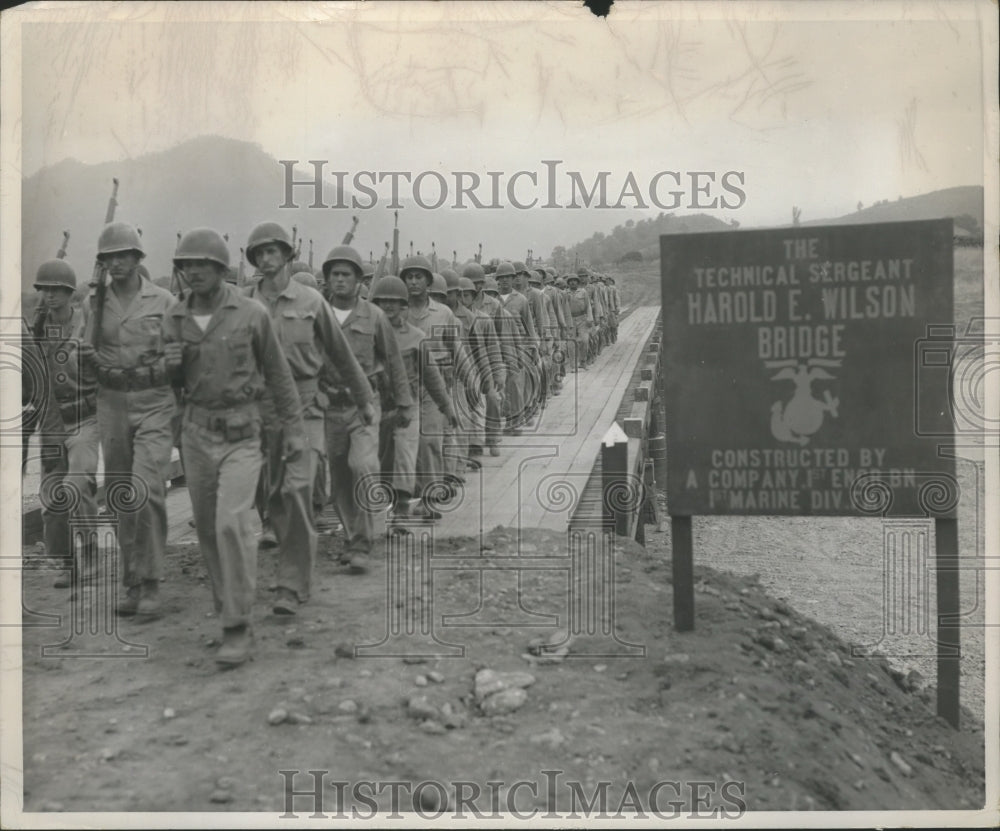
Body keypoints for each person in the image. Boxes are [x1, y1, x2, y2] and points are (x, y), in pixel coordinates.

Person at [165, 228, 304, 666]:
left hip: (244, 436)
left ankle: (237, 625)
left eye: (202, 265)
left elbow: (279, 376)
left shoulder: (251, 313)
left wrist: (295, 431)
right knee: (207, 529)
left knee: (231, 523)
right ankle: (227, 608)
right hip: (196, 435)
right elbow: (171, 385)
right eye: (186, 266)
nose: (193, 273)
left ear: (222, 269)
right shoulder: (174, 319)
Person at [244, 224, 374, 604]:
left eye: (273, 251)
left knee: (298, 490)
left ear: (288, 254)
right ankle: (288, 562)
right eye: (260, 253)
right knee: (274, 497)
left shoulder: (311, 302)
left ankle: (290, 582)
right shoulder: (242, 303)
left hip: (305, 406)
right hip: (260, 408)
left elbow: (341, 355)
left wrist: (363, 398)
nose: (267, 259)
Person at [83, 221, 177, 620]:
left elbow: (180, 353)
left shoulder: (164, 301)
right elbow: (85, 355)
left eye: (123, 255)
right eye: (109, 257)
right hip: (113, 403)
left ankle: (152, 583)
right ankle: (133, 582)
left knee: (148, 488)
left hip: (155, 401)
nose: (116, 263)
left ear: (138, 258)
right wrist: (84, 355)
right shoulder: (94, 304)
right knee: (122, 494)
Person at [320, 245, 410, 570]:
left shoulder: (374, 317)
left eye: (347, 274)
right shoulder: (318, 314)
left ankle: (363, 541)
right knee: (340, 478)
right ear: (327, 280)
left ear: (359, 280)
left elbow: (394, 361)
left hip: (364, 405)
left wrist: (403, 403)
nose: (340, 280)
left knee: (364, 466)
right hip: (328, 405)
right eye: (335, 275)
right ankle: (351, 535)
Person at [32, 259, 100, 589]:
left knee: (78, 483)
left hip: (84, 418)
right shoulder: (38, 331)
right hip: (51, 423)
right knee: (52, 499)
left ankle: (89, 554)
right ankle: (64, 562)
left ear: (70, 293)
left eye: (57, 290)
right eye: (45, 290)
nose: (50, 295)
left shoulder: (85, 325)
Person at [369, 275, 454, 520]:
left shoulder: (429, 325)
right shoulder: (370, 332)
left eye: (394, 302)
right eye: (383, 302)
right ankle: (393, 499)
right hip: (381, 400)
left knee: (419, 446)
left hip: (416, 396)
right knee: (385, 455)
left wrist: (447, 404)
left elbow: (437, 369)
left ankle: (415, 503)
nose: (388, 306)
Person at [400, 255, 464, 511]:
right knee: (404, 442)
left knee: (430, 440)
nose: (414, 282)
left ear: (428, 281)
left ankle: (430, 497)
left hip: (434, 385)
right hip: (402, 382)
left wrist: (473, 380)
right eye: (409, 277)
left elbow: (457, 350)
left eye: (419, 277)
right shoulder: (395, 310)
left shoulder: (443, 313)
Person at [494, 262, 536, 434]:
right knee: (500, 384)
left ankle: (515, 420)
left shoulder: (521, 300)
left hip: (517, 344)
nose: (505, 281)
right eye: (501, 278)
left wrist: (533, 345)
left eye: (508, 278)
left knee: (515, 383)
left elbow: (529, 325)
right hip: (496, 345)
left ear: (513, 279)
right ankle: (506, 415)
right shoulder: (492, 300)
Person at [565, 272, 593, 371]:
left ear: (578, 282)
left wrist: (590, 318)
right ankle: (573, 365)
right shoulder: (565, 293)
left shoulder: (583, 292)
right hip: (570, 319)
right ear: (568, 283)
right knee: (571, 343)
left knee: (584, 340)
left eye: (575, 281)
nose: (573, 283)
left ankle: (583, 362)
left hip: (582, 318)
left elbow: (588, 306)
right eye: (571, 281)